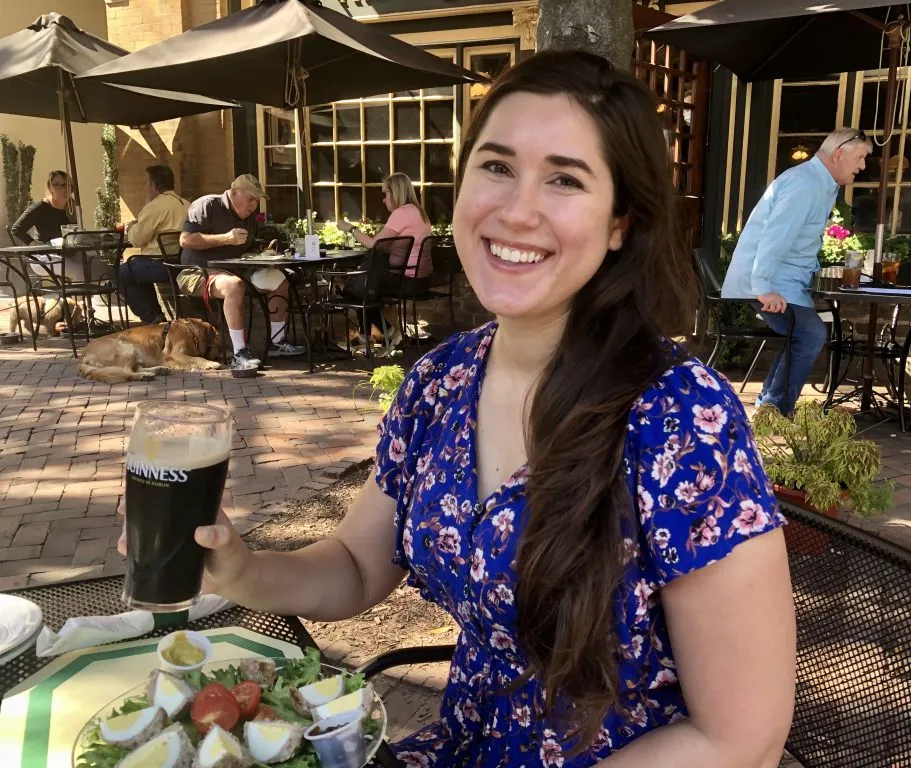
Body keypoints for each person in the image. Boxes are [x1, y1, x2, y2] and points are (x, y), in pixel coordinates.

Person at [121, 51, 795, 766]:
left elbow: (740, 735)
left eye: (565, 179)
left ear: (620, 222)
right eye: (497, 167)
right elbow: (354, 564)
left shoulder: (681, 419)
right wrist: (242, 569)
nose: (517, 209)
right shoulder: (442, 381)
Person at [722, 128, 872, 415]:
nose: (863, 166)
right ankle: (775, 411)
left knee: (806, 331)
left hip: (785, 282)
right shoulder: (805, 184)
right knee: (811, 333)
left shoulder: (821, 184)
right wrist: (764, 287)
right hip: (768, 283)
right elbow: (775, 237)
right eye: (861, 157)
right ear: (838, 153)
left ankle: (771, 406)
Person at [177, 174, 304, 369]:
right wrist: (226, 238)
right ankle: (239, 354)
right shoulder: (206, 205)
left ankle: (276, 342)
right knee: (234, 285)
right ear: (234, 192)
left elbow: (247, 248)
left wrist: (263, 253)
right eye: (251, 199)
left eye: (257, 200)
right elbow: (185, 240)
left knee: (280, 279)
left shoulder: (248, 217)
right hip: (197, 272)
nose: (254, 204)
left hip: (237, 270)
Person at [340, 172, 432, 348]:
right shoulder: (419, 212)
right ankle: (370, 336)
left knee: (359, 288)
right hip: (421, 280)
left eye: (385, 194)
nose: (383, 200)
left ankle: (384, 333)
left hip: (407, 281)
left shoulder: (402, 213)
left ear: (395, 192)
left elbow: (373, 244)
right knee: (365, 284)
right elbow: (388, 245)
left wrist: (351, 229)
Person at [117, 165, 190, 324]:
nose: (146, 188)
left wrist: (130, 227)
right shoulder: (186, 204)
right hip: (181, 262)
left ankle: (152, 318)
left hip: (159, 264)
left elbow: (136, 239)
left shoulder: (155, 207)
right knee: (135, 269)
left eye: (147, 183)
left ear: (154, 185)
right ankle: (155, 316)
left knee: (118, 273)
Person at [10, 170, 70, 246]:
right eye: (57, 185)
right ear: (50, 187)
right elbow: (17, 229)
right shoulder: (40, 207)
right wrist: (33, 243)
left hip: (69, 252)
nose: (63, 188)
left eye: (66, 185)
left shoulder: (73, 208)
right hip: (46, 254)